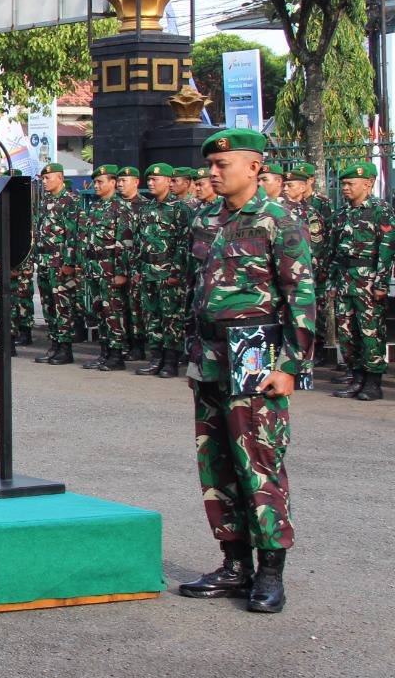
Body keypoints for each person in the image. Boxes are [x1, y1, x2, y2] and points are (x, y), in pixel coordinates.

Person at [178, 127, 314, 615]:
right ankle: (234, 565)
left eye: (222, 166)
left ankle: (270, 574)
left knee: (258, 461)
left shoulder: (279, 220)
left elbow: (301, 294)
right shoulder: (204, 219)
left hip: (257, 357)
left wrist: (292, 367)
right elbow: (197, 289)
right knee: (216, 463)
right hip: (210, 358)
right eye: (210, 167)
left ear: (254, 167)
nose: (212, 174)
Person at [328, 162, 392, 402]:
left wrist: (381, 283)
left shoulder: (380, 211)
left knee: (370, 332)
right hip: (345, 279)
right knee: (346, 332)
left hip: (368, 281)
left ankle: (373, 383)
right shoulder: (343, 213)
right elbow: (335, 251)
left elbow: (386, 248)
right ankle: (356, 378)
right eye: (343, 184)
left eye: (350, 184)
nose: (345, 188)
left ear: (368, 184)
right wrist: (332, 282)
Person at [134, 164, 193, 378]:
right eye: (148, 179)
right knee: (152, 317)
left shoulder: (180, 208)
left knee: (171, 318)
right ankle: (156, 358)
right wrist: (138, 268)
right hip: (148, 270)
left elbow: (184, 242)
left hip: (168, 273)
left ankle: (170, 361)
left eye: (155, 179)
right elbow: (139, 241)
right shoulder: (146, 208)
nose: (150, 183)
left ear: (169, 181)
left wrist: (176, 272)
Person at [81, 164, 132, 371]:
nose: (96, 185)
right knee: (100, 311)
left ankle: (116, 355)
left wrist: (121, 272)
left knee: (114, 313)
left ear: (112, 183)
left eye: (100, 182)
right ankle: (104, 352)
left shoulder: (120, 208)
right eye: (95, 182)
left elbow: (125, 243)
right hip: (95, 268)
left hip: (110, 269)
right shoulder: (96, 207)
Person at [31, 162, 83, 365]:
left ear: (60, 178)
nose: (44, 182)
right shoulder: (45, 202)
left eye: (48, 178)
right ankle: (54, 344)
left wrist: (69, 262)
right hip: (45, 262)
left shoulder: (71, 201)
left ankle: (65, 348)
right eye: (43, 179)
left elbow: (73, 234)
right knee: (48, 305)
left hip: (60, 262)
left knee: (63, 306)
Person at [283, 164, 331, 376]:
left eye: (290, 185)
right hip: (284, 276)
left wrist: (313, 274)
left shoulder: (310, 214)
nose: (285, 188)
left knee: (304, 321)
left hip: (303, 275)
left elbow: (317, 247)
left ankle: (304, 367)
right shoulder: (278, 210)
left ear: (303, 188)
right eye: (284, 184)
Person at [0, 168, 35, 356]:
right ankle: (0, 340)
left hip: (10, 265)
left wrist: (16, 265)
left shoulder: (21, 207)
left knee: (10, 305)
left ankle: (9, 342)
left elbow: (27, 240)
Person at [116, 166, 149, 361]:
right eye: (118, 181)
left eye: (124, 181)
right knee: (118, 307)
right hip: (116, 264)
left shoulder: (145, 206)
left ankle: (138, 345)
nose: (120, 185)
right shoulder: (115, 205)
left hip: (137, 265)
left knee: (136, 307)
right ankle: (123, 342)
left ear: (136, 182)